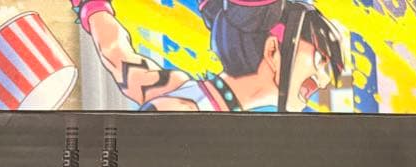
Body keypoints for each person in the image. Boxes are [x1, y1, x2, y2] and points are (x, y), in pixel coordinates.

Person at [72, 0, 344, 111]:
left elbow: (118, 56)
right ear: (272, 51)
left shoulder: (179, 87)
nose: (323, 80)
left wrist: (92, 6)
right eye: (320, 60)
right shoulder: (181, 111)